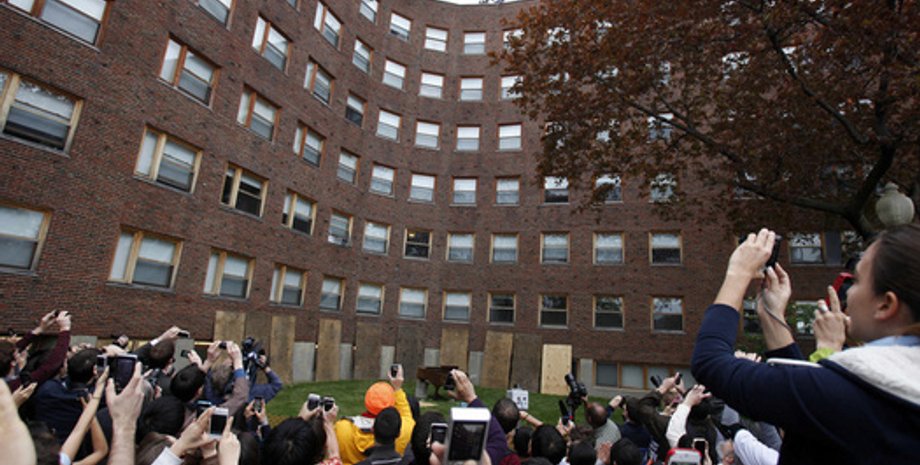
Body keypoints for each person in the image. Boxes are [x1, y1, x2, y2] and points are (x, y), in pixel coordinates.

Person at [692, 226, 920, 464]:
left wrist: (738, 273)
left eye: (858, 281)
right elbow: (805, 404)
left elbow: (710, 362)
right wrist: (772, 316)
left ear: (885, 305)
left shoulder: (854, 392)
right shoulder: (900, 388)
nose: (849, 292)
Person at [335, 365, 415, 465]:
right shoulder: (405, 429)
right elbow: (407, 415)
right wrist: (397, 388)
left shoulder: (342, 428)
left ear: (367, 401)